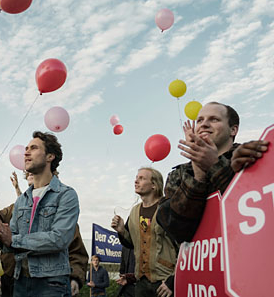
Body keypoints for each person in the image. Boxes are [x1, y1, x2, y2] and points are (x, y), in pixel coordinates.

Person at [156, 102, 269, 243]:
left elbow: (260, 208)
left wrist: (215, 166)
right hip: (202, 263)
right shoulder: (179, 174)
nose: (204, 124)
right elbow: (175, 229)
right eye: (200, 120)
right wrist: (198, 176)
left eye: (214, 119)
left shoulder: (252, 157)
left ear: (233, 130)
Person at [0, 131, 80, 297]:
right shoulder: (21, 201)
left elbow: (59, 239)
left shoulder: (66, 195)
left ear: (50, 156)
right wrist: (1, 235)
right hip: (20, 281)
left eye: (33, 148)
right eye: (25, 148)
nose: (26, 152)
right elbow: (13, 242)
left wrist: (12, 239)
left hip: (51, 283)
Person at [111, 168, 176, 297]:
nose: (136, 181)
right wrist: (122, 231)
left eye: (142, 178)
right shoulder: (134, 211)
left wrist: (172, 281)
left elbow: (183, 245)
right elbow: (131, 244)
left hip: (164, 281)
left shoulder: (167, 207)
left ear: (154, 185)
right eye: (136, 178)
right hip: (141, 282)